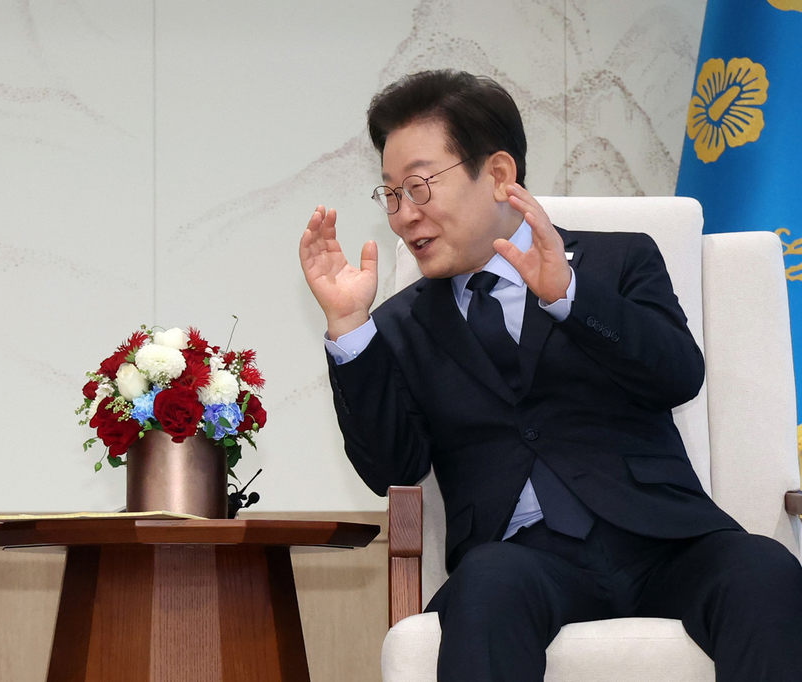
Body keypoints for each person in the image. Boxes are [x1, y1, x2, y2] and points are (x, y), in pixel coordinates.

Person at [299, 69, 802, 681]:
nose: (404, 215)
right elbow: (391, 469)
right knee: (484, 587)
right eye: (391, 194)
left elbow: (678, 376)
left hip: (666, 541)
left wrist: (570, 296)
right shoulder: (398, 326)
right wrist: (351, 329)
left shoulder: (618, 260)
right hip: (520, 560)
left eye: (420, 186)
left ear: (500, 175)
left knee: (766, 570)